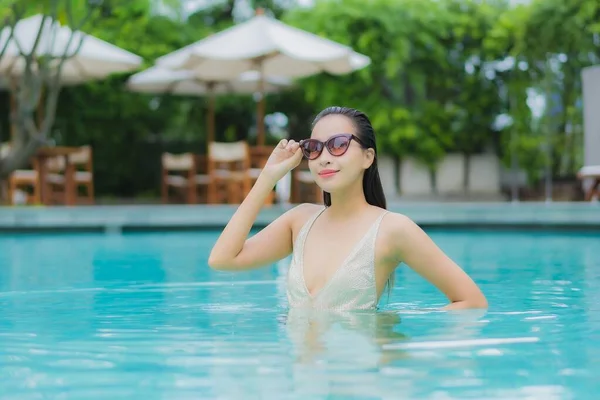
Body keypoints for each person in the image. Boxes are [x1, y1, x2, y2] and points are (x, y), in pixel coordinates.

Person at [208, 106, 487, 311]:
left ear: (368, 157)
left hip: (360, 380)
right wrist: (268, 177)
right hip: (303, 384)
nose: (324, 158)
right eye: (314, 148)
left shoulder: (392, 230)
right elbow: (222, 259)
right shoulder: (299, 221)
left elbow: (471, 301)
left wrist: (404, 348)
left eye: (339, 145)